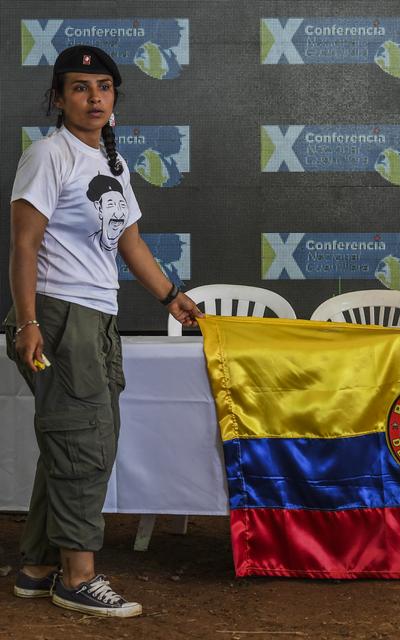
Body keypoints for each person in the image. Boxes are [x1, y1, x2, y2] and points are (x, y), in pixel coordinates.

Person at [3, 45, 203, 618]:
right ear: (58, 98)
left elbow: (130, 243)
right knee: (82, 446)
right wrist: (28, 320)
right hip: (59, 315)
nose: (94, 98)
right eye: (80, 88)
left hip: (97, 317)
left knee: (77, 440)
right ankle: (78, 577)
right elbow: (24, 244)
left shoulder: (113, 165)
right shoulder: (48, 155)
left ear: (114, 98)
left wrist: (170, 296)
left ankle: (40, 567)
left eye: (104, 88)